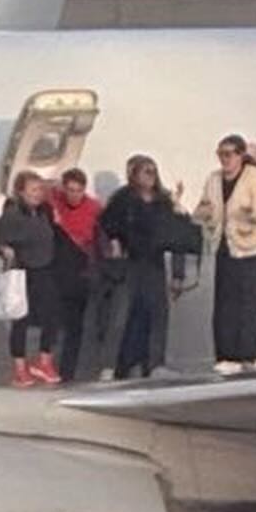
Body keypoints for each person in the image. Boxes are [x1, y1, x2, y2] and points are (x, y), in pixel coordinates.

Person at [196, 134, 256, 374]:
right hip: (226, 245)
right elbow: (207, 207)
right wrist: (200, 212)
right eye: (220, 154)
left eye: (229, 154)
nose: (224, 160)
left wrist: (243, 213)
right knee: (225, 303)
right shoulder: (213, 179)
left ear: (241, 155)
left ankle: (252, 352)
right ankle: (226, 354)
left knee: (253, 302)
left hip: (254, 246)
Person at [98, 155, 182, 379]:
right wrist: (115, 244)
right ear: (133, 174)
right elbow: (106, 224)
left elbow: (177, 236)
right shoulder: (123, 199)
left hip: (154, 263)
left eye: (153, 171)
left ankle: (155, 364)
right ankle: (110, 365)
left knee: (157, 315)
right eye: (145, 171)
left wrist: (178, 274)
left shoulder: (163, 201)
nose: (150, 176)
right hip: (129, 262)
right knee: (120, 315)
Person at [0, 170, 63, 389]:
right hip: (23, 270)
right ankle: (20, 367)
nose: (38, 194)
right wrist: (6, 251)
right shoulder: (13, 215)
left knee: (52, 314)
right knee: (20, 319)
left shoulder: (44, 212)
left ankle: (44, 360)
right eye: (33, 190)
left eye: (40, 189)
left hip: (44, 268)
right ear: (21, 192)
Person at [50, 167, 103, 381]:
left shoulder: (94, 208)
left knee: (75, 326)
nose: (74, 195)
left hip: (82, 271)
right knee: (56, 323)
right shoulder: (56, 202)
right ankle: (51, 366)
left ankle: (67, 372)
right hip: (59, 271)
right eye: (70, 190)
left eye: (78, 190)